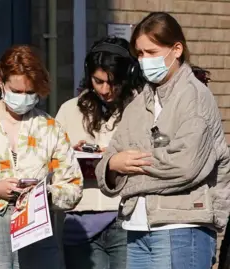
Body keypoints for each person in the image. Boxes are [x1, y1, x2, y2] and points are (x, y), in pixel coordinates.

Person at [95, 12, 230, 269]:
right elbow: (105, 167)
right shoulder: (137, 104)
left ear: (176, 49)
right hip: (136, 227)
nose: (144, 60)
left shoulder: (195, 97)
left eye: (151, 52)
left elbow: (185, 166)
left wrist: (130, 177)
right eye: (140, 54)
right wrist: (114, 164)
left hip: (182, 226)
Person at [0, 45, 83, 269]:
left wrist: (45, 194)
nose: (23, 98)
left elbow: (73, 186)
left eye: (30, 93)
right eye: (17, 91)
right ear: (1, 83)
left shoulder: (49, 128)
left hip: (38, 227)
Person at [56, 36, 142, 269]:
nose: (105, 90)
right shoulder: (69, 110)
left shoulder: (141, 110)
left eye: (114, 82)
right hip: (79, 222)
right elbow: (51, 165)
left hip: (124, 218)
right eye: (98, 81)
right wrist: (67, 156)